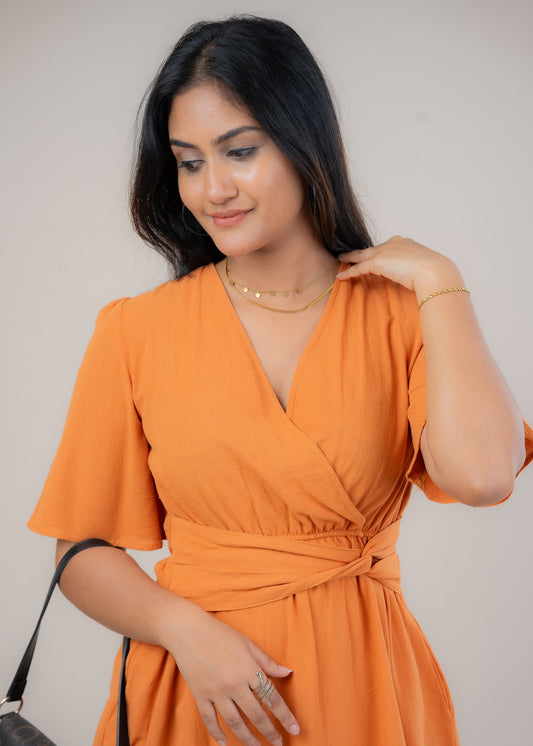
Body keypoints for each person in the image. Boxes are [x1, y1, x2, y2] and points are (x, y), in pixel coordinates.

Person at [27, 15, 532, 746]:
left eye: (239, 151)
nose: (213, 188)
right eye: (189, 162)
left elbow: (485, 478)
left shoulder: (403, 313)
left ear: (303, 142)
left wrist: (440, 281)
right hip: (196, 697)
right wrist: (185, 631)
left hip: (364, 690)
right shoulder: (136, 329)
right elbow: (80, 551)